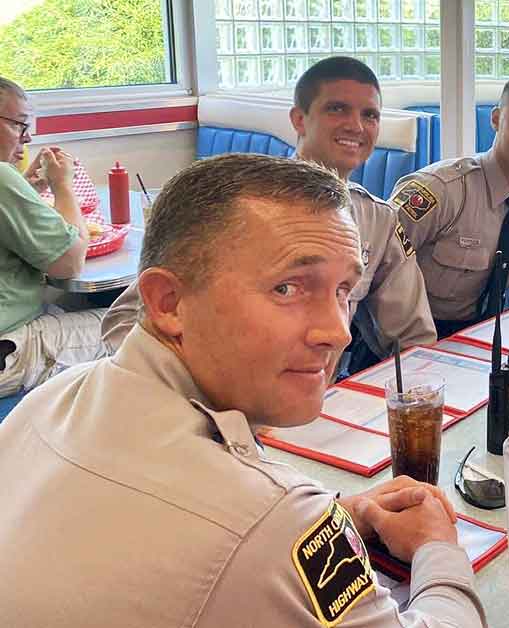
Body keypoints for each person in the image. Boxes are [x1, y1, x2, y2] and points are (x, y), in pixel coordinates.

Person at [0, 154, 484, 627]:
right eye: (288, 288)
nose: (338, 332)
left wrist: (343, 515)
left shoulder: (51, 396)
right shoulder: (272, 518)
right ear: (169, 302)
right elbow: (247, 532)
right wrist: (438, 548)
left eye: (342, 291)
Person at [102, 57, 436, 369]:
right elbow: (126, 322)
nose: (356, 126)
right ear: (299, 119)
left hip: (315, 412)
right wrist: (196, 403)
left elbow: (413, 339)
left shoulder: (377, 220)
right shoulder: (234, 205)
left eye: (370, 115)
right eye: (337, 109)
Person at [389, 74, 509, 338]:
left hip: (487, 341)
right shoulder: (440, 190)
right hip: (414, 339)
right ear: (495, 119)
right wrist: (413, 350)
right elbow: (375, 269)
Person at [0, 76, 105, 397]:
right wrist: (63, 186)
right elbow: (70, 264)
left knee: (67, 308)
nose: (26, 137)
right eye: (19, 124)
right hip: (10, 351)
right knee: (134, 321)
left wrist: (28, 190)